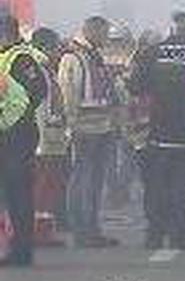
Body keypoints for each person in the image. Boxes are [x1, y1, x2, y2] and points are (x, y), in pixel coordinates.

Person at [128, 12, 185, 250]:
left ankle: (155, 234)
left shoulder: (152, 54)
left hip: (159, 131)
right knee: (183, 186)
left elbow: (136, 87)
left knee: (156, 185)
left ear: (170, 30)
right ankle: (181, 235)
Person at [58, 16, 120, 248]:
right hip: (84, 129)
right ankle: (81, 231)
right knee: (82, 180)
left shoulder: (94, 56)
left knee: (95, 182)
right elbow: (67, 94)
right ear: (92, 31)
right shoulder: (72, 57)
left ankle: (92, 229)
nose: (106, 39)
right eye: (104, 34)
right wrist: (71, 126)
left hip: (101, 126)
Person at [0, 14, 49, 266]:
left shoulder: (21, 57)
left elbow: (37, 90)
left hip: (16, 134)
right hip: (7, 132)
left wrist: (16, 116)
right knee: (10, 193)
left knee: (17, 192)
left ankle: (21, 249)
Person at [29, 27, 70, 238]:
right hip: (45, 138)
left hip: (46, 137)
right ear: (46, 47)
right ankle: (39, 232)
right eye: (55, 47)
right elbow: (44, 106)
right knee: (43, 187)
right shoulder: (40, 69)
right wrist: (59, 120)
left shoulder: (41, 67)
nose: (58, 52)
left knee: (47, 187)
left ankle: (44, 230)